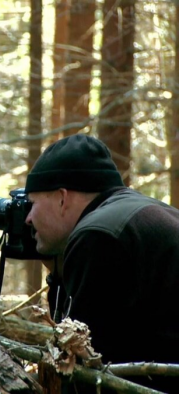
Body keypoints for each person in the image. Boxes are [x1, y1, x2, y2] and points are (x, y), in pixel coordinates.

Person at [24, 134, 179, 392]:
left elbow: (85, 368)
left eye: (32, 204)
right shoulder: (142, 213)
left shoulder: (96, 236)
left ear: (62, 198)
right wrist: (58, 272)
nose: (28, 218)